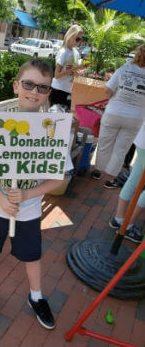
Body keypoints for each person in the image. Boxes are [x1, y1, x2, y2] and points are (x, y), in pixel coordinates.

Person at [0, 59, 73, 329]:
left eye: (43, 87)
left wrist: (28, 194)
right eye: (28, 84)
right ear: (17, 86)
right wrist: (1, 198)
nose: (34, 91)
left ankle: (36, 296)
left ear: (49, 92)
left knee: (32, 255)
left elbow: (59, 177)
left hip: (28, 211)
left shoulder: (53, 130)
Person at [91, 44, 145, 188]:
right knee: (121, 149)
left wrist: (116, 97)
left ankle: (97, 171)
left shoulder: (124, 68)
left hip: (114, 112)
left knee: (105, 142)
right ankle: (111, 179)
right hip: (135, 118)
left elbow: (107, 90)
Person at [109, 122, 145, 243]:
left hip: (142, 139)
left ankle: (119, 219)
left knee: (134, 178)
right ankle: (128, 225)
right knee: (134, 179)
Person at [50, 24, 85, 111]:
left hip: (68, 91)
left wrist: (77, 71)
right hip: (58, 90)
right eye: (77, 39)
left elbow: (76, 76)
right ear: (70, 36)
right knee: (54, 121)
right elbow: (57, 75)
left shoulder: (76, 53)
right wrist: (74, 69)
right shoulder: (63, 52)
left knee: (63, 121)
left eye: (80, 39)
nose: (79, 42)